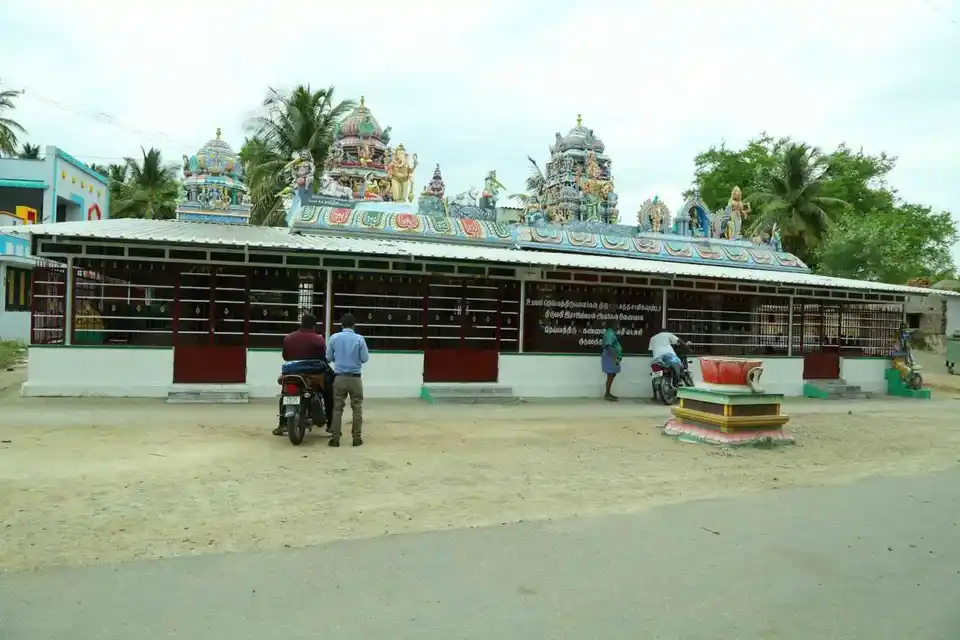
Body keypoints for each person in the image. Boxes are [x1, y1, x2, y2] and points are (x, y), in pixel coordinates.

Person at [275, 313, 333, 436]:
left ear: (301, 323)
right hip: (312, 373)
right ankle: (331, 424)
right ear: (314, 326)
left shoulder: (288, 338)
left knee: (284, 393)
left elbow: (285, 357)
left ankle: (282, 424)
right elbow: (323, 358)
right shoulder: (318, 339)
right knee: (329, 391)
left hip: (291, 372)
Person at [326, 313, 370, 447]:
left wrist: (338, 359)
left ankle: (335, 439)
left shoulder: (334, 338)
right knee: (357, 408)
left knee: (337, 408)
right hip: (355, 378)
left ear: (341, 325)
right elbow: (365, 359)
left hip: (339, 377)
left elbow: (328, 358)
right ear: (354, 325)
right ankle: (356, 438)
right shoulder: (359, 339)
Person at [601, 319, 623, 402]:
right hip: (610, 356)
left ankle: (608, 393)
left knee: (612, 374)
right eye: (617, 324)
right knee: (610, 374)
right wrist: (615, 358)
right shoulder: (609, 333)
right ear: (614, 325)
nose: (618, 327)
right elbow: (608, 346)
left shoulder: (611, 332)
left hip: (611, 356)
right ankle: (607, 394)